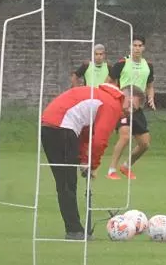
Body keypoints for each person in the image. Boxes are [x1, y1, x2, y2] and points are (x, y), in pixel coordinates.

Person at [41, 84, 145, 239]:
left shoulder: (100, 97)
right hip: (61, 128)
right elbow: (99, 141)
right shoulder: (111, 105)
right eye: (130, 104)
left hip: (50, 127)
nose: (130, 111)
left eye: (134, 110)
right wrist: (93, 165)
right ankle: (74, 230)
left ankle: (74, 229)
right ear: (123, 95)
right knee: (67, 183)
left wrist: (84, 160)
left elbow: (85, 134)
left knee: (65, 182)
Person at [105, 36, 156, 180]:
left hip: (137, 109)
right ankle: (111, 170)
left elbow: (150, 86)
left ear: (144, 48)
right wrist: (115, 99)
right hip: (122, 109)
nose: (137, 48)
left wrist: (151, 97)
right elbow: (107, 83)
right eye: (135, 45)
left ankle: (126, 166)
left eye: (140, 45)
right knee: (125, 136)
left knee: (145, 144)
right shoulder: (122, 63)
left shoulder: (148, 66)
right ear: (130, 47)